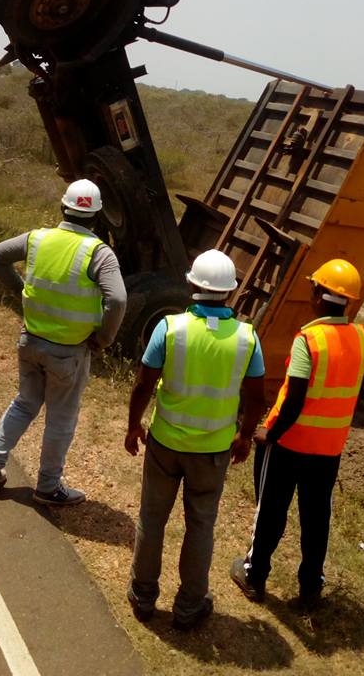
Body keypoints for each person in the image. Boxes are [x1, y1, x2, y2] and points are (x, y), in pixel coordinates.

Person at [125, 249, 265, 631]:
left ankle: (143, 595)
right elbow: (257, 397)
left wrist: (133, 425)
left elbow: (144, 383)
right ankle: (189, 606)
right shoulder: (246, 337)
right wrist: (245, 436)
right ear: (229, 293)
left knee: (152, 519)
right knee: (200, 526)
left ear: (191, 284)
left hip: (166, 443)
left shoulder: (170, 328)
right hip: (214, 451)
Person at [231, 258, 364, 609]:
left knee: (271, 510)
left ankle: (255, 574)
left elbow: (294, 400)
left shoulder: (308, 340)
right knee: (316, 516)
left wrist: (270, 434)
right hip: (329, 448)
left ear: (319, 295)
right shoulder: (362, 340)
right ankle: (310, 586)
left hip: (290, 444)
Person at [0, 179, 126, 504]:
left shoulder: (37, 239)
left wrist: (19, 290)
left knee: (24, 403)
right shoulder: (100, 253)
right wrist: (103, 338)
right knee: (61, 418)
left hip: (31, 341)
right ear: (97, 217)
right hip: (68, 353)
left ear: (63, 209)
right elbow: (118, 301)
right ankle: (47, 486)